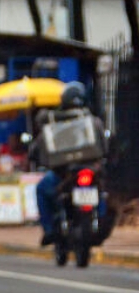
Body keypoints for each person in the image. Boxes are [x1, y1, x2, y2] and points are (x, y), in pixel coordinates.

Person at [31, 82, 109, 245]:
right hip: (89, 170)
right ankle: (100, 221)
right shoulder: (94, 121)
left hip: (63, 173)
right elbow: (105, 146)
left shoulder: (52, 121)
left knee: (41, 189)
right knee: (101, 193)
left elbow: (36, 149)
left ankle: (49, 230)